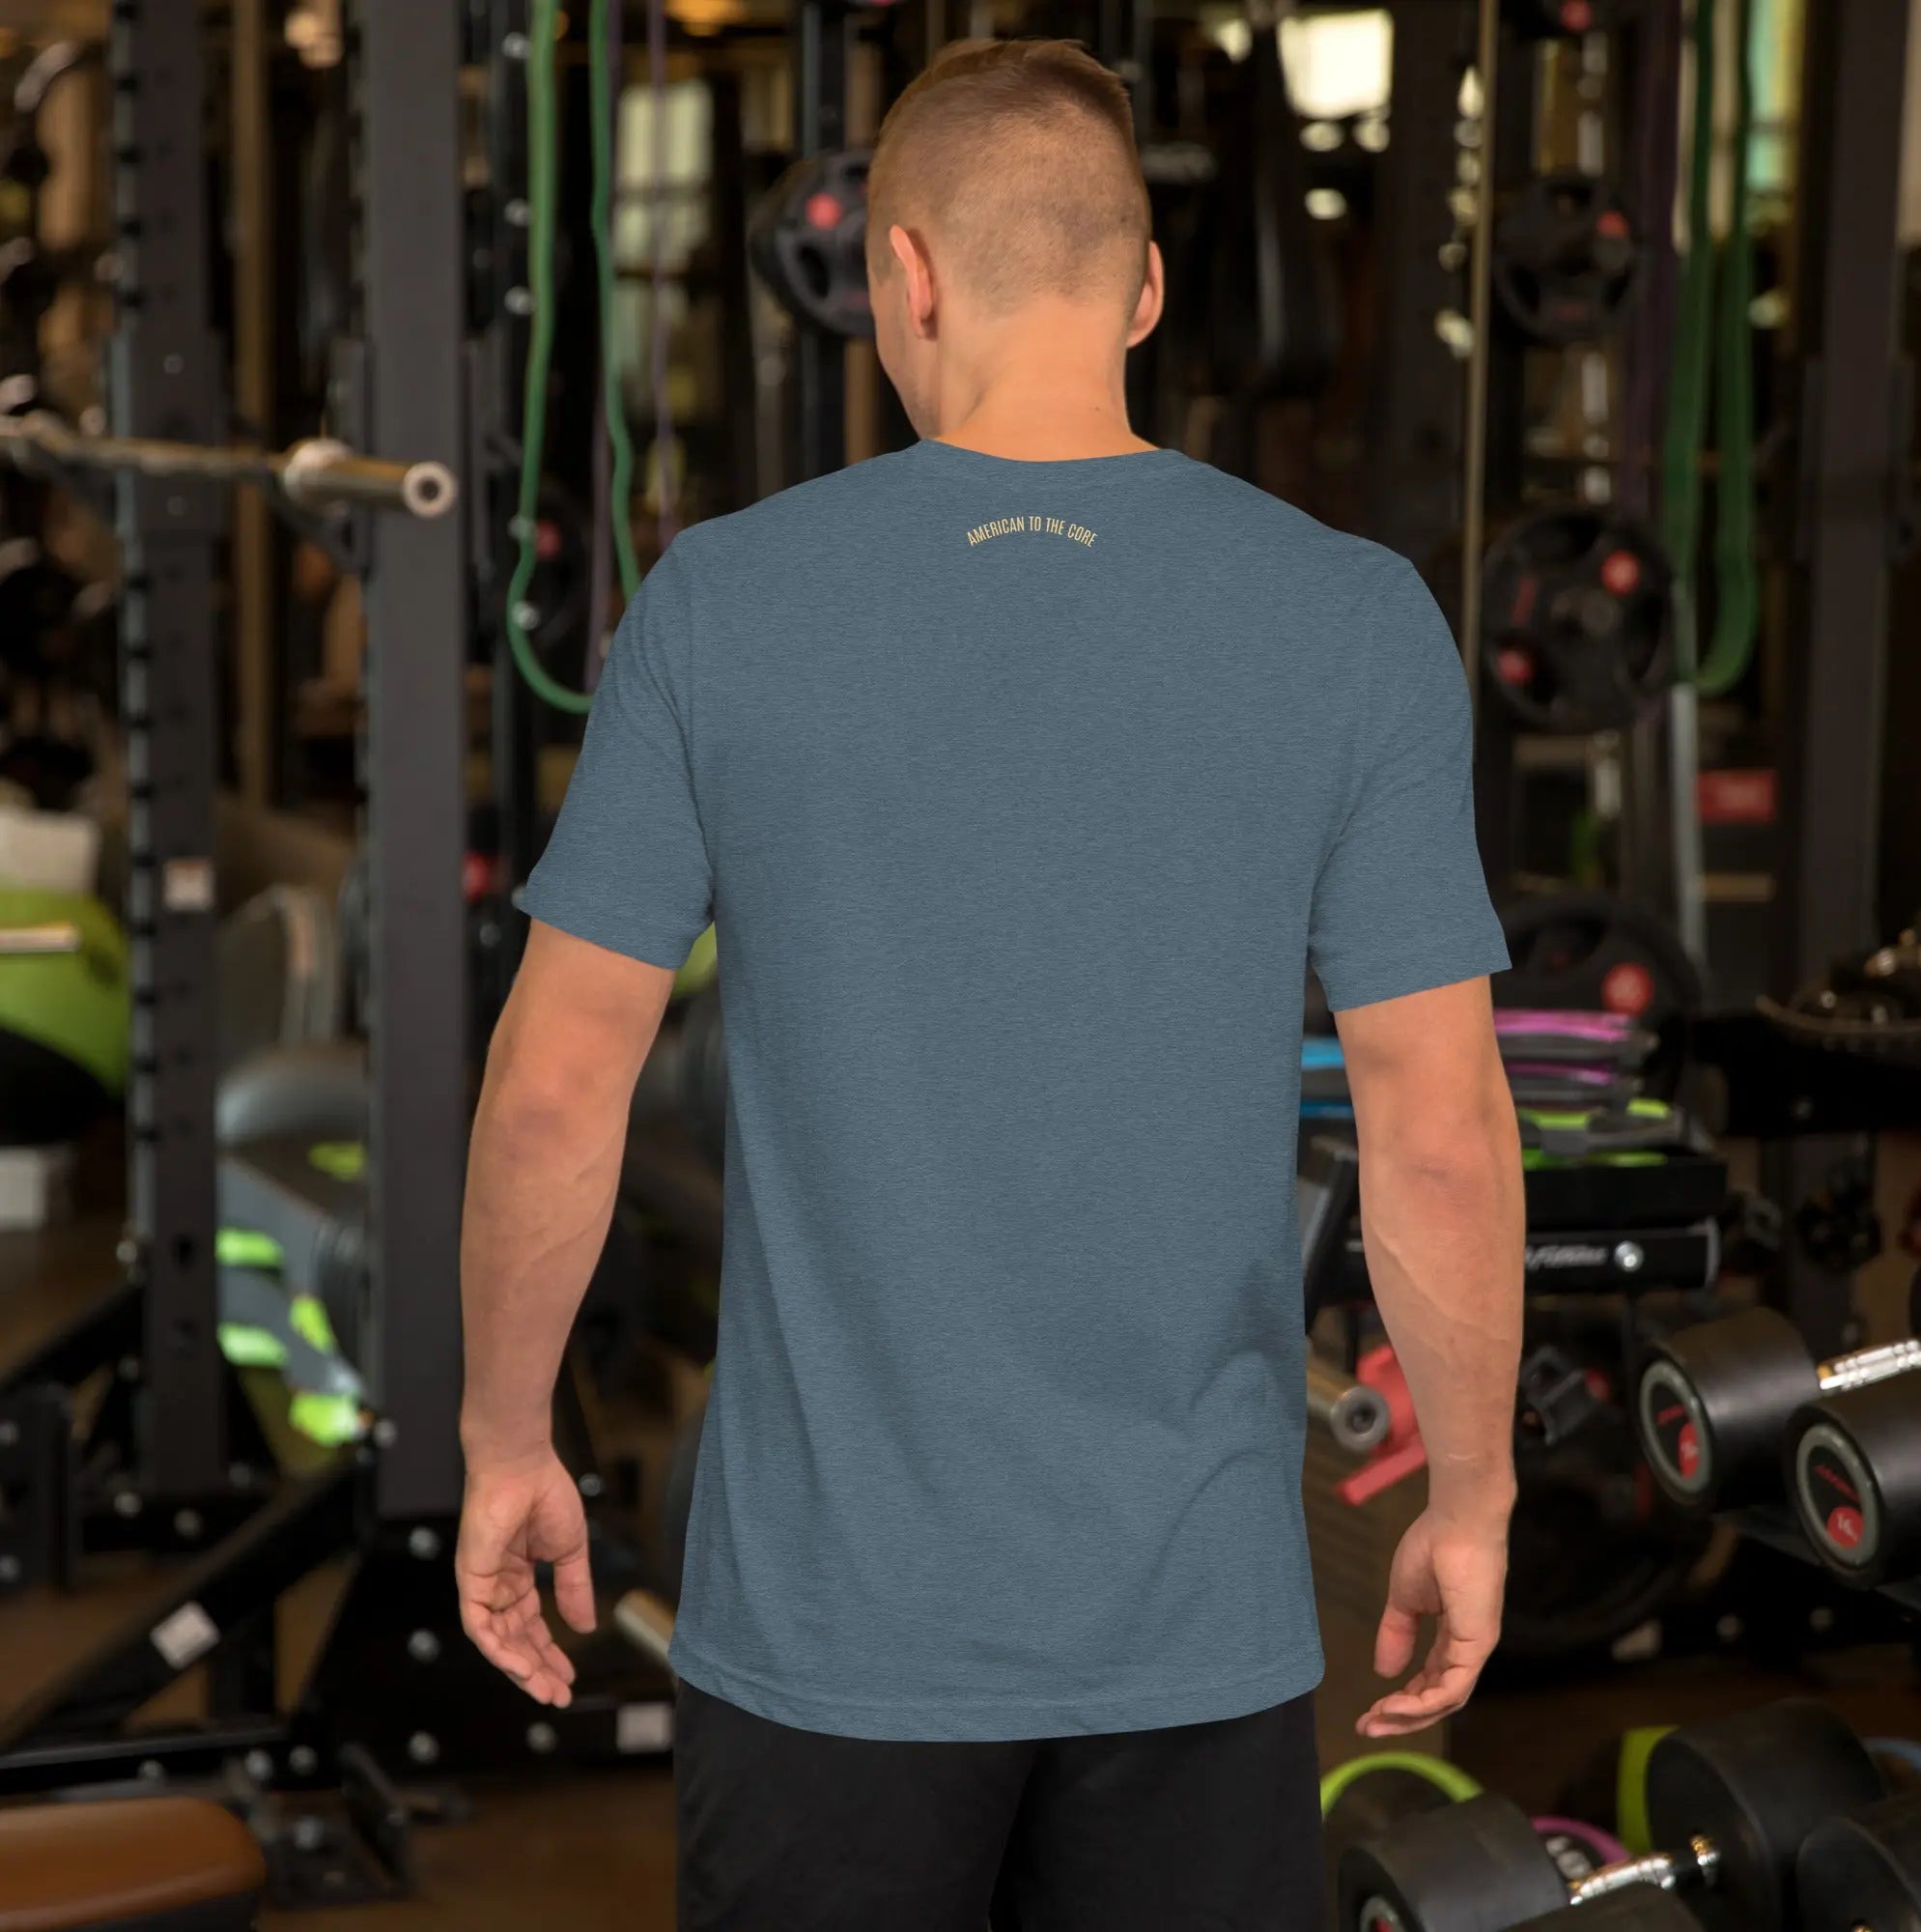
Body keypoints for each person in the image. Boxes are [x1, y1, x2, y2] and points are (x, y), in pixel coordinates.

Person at [457, 37, 1523, 1932]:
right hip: (1194, 1628)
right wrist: (1475, 1493)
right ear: (1147, 287)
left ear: (904, 274)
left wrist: (505, 1442)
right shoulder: (1349, 616)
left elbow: (555, 1088)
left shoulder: (722, 599)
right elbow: (1431, 1121)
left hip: (827, 1634)